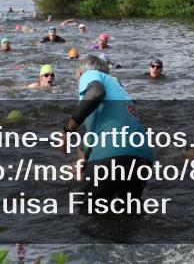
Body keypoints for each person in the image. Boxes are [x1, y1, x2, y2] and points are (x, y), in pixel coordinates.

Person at [60, 55, 154, 203]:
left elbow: (96, 92)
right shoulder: (118, 87)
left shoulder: (90, 74)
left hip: (115, 153)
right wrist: (86, 162)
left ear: (79, 74)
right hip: (144, 156)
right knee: (129, 214)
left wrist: (67, 130)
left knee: (86, 212)